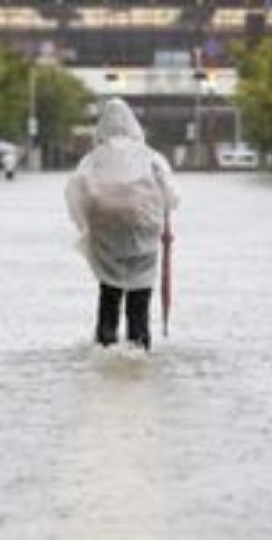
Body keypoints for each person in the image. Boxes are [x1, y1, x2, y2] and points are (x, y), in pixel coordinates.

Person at [65, 97, 179, 351]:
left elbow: (76, 190)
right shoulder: (150, 157)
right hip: (144, 235)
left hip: (107, 238)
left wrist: (87, 225)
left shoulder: (94, 158)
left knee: (109, 293)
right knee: (140, 298)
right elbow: (171, 193)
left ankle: (106, 343)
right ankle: (139, 347)